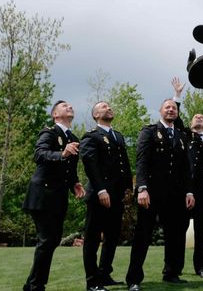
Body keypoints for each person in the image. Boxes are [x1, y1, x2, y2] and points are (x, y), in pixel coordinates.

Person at [125, 82, 195, 291]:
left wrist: (189, 191)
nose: (171, 110)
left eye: (174, 107)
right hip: (152, 193)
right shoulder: (149, 132)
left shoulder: (182, 136)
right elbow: (142, 161)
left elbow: (185, 168)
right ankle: (134, 278)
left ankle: (171, 273)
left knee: (174, 235)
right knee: (143, 235)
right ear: (160, 111)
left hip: (175, 195)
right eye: (168, 107)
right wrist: (142, 188)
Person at [22, 100, 86, 291]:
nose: (70, 107)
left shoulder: (73, 137)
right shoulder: (49, 132)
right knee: (47, 239)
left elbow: (69, 169)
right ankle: (36, 286)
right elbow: (39, 155)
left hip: (58, 197)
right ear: (55, 115)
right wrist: (62, 154)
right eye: (64, 106)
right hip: (42, 194)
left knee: (52, 240)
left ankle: (31, 284)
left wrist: (74, 183)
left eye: (71, 106)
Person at [81, 101, 133, 291]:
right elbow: (90, 164)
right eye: (103, 107)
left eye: (110, 106)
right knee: (93, 238)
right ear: (96, 115)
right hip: (99, 195)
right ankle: (92, 281)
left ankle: (104, 274)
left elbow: (124, 165)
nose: (109, 108)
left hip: (117, 195)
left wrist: (129, 188)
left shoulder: (118, 136)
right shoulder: (91, 136)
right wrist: (101, 189)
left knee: (112, 237)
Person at [185, 113, 203, 278]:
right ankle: (172, 269)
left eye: (202, 117)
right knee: (178, 229)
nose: (199, 118)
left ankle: (201, 266)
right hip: (184, 188)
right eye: (196, 117)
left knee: (201, 231)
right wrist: (177, 98)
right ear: (190, 122)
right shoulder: (184, 136)